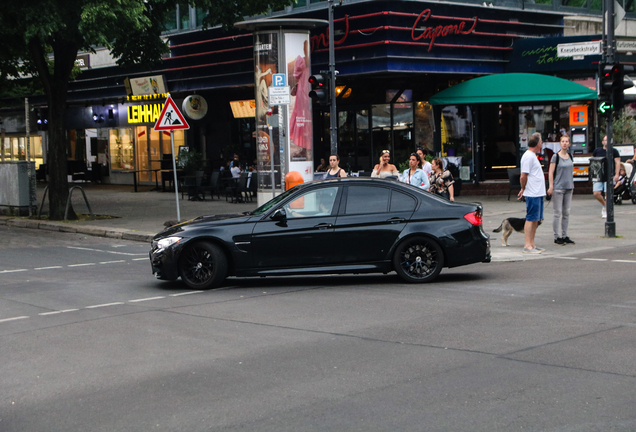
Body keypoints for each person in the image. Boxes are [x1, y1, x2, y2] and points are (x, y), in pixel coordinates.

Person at [518, 132, 546, 254]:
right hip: (533, 193)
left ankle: (532, 244)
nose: (542, 143)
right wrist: (523, 188)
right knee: (530, 218)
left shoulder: (532, 155)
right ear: (538, 143)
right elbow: (523, 176)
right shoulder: (528, 156)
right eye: (541, 141)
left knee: (536, 219)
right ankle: (527, 245)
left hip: (538, 192)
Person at [547, 134, 575, 246]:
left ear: (569, 144)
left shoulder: (571, 156)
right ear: (560, 143)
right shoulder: (556, 157)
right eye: (562, 141)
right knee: (557, 213)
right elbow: (551, 172)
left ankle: (564, 235)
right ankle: (556, 235)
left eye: (566, 141)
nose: (564, 143)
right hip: (558, 187)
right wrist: (551, 186)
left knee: (566, 212)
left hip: (569, 187)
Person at [592, 135, 620, 218]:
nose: (606, 142)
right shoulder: (597, 150)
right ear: (602, 142)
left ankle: (606, 211)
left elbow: (617, 162)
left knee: (608, 193)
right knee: (596, 193)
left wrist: (617, 174)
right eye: (605, 140)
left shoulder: (614, 151)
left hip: (609, 174)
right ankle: (604, 205)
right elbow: (593, 162)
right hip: (599, 174)